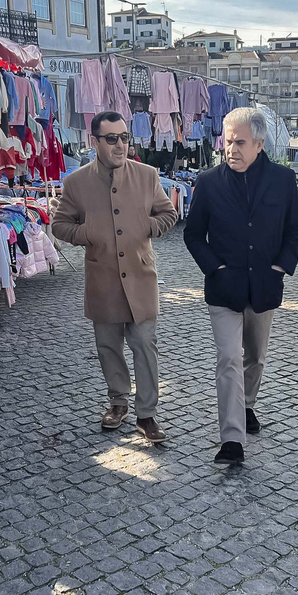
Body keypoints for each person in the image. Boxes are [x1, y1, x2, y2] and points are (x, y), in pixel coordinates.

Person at [183, 107, 298, 466]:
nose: (231, 149)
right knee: (228, 359)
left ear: (259, 143)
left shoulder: (283, 180)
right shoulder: (208, 182)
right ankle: (232, 439)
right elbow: (193, 235)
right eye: (227, 141)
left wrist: (280, 268)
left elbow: (294, 230)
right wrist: (215, 268)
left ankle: (248, 403)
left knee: (256, 356)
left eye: (239, 142)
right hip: (223, 288)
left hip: (264, 286)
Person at [52, 111, 178, 442]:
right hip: (103, 281)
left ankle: (147, 415)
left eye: (124, 137)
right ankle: (118, 402)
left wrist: (147, 227)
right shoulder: (76, 182)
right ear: (95, 141)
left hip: (141, 278)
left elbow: (168, 213)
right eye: (112, 139)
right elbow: (59, 225)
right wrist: (89, 232)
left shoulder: (148, 175)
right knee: (109, 347)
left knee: (144, 345)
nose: (120, 145)